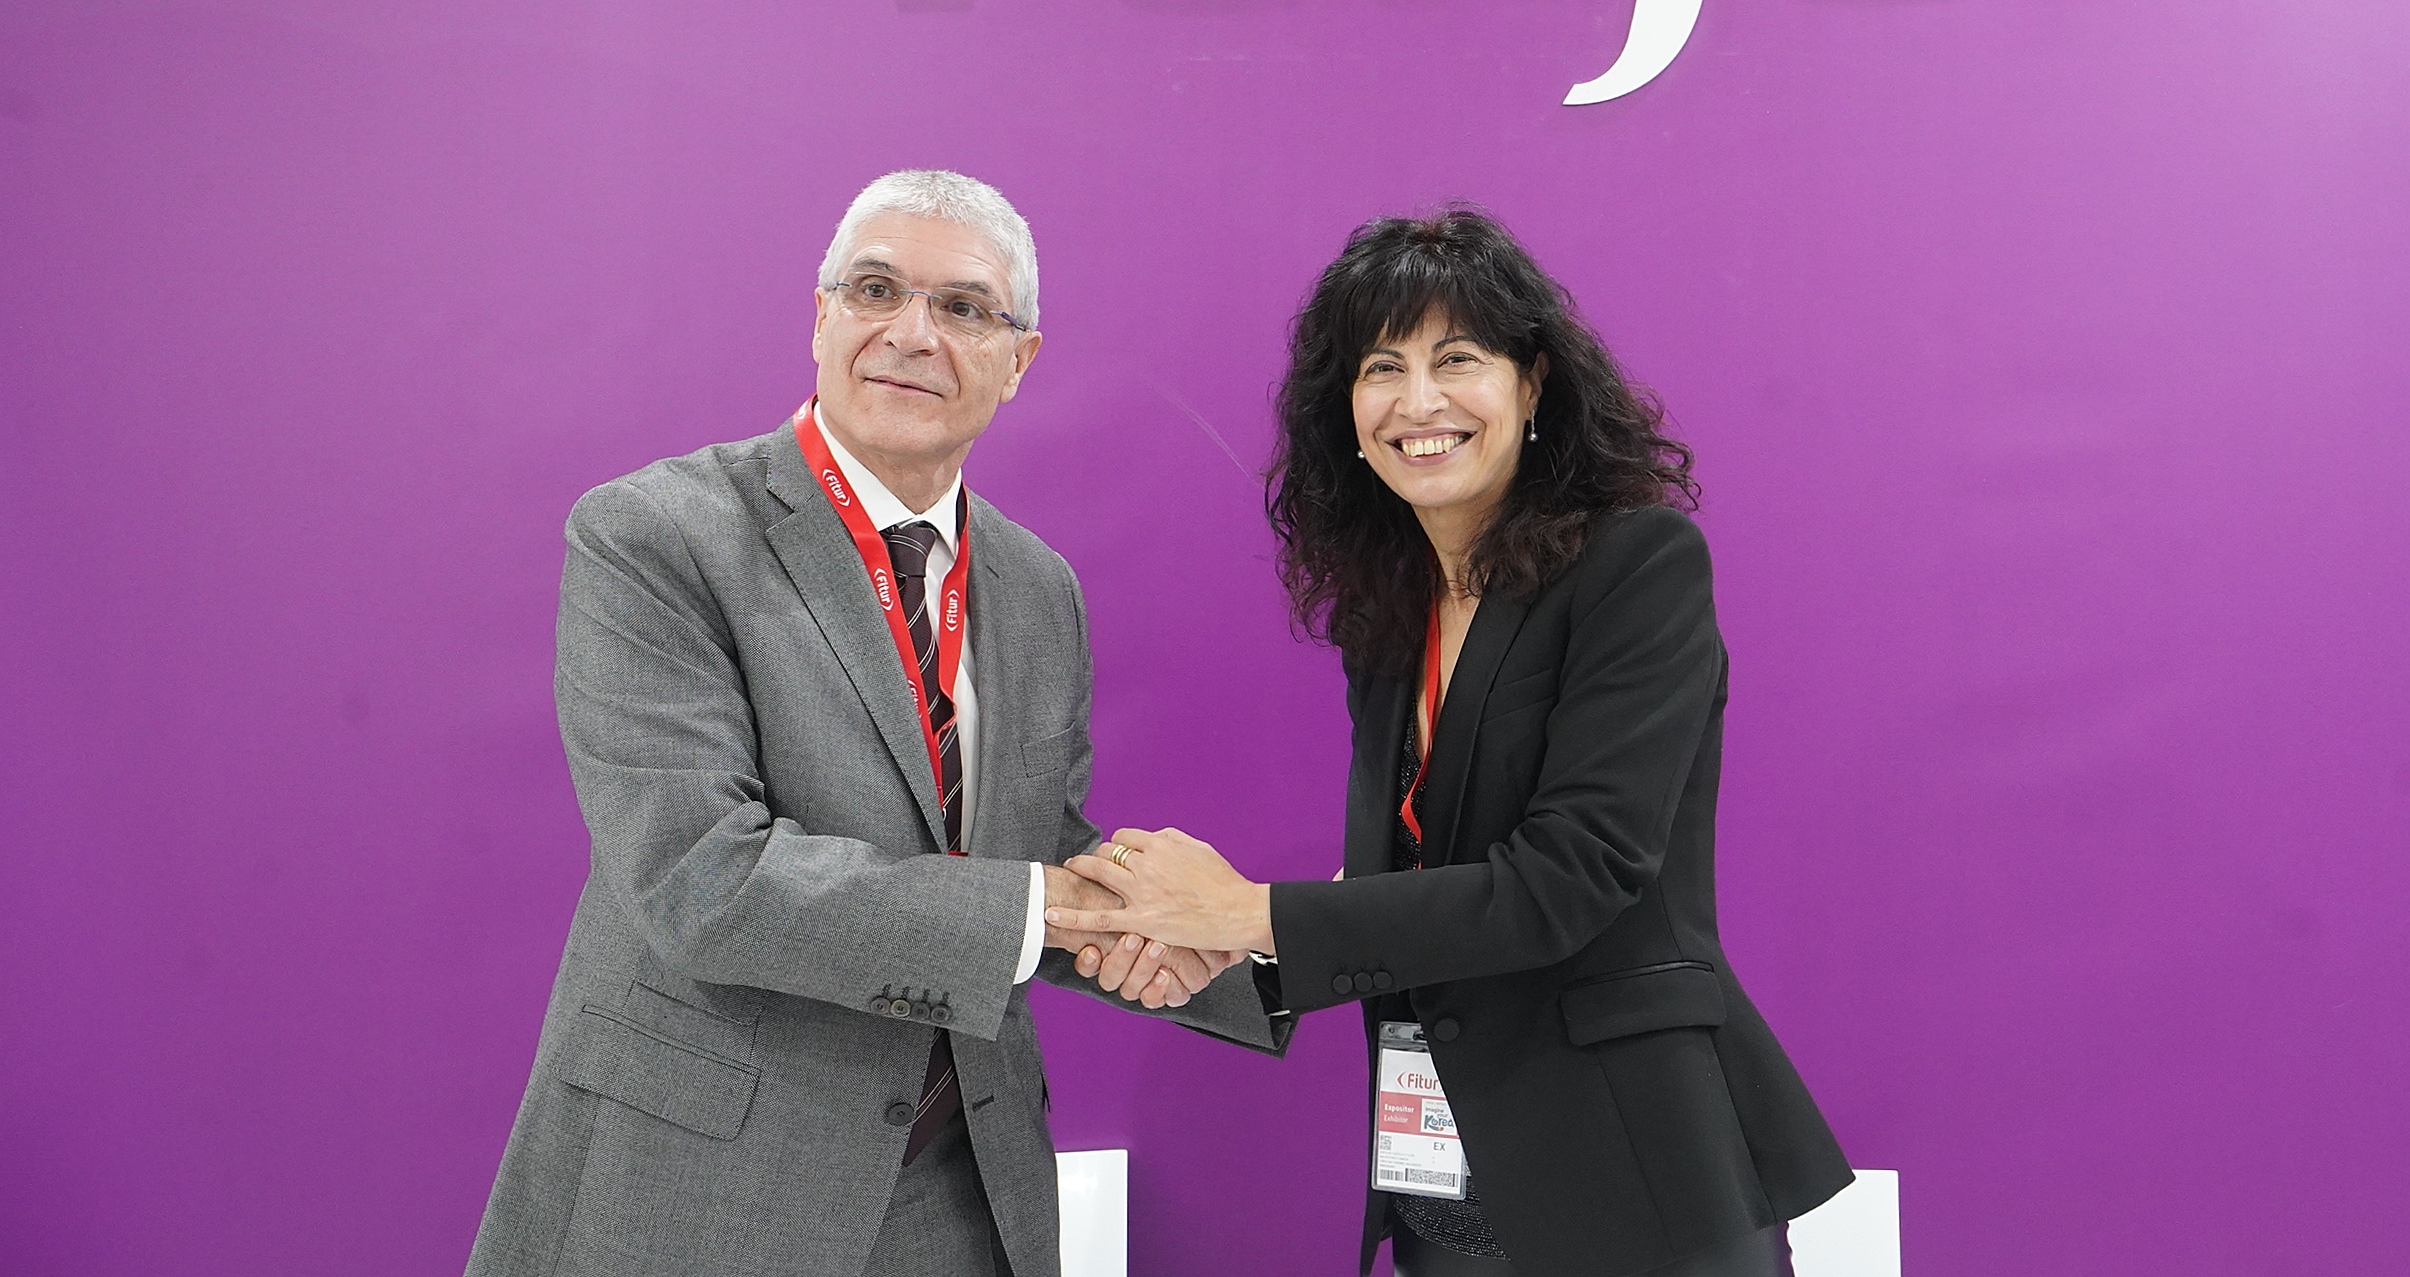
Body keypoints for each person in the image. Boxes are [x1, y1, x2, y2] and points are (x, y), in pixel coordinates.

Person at [466, 170, 1283, 1277]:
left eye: (964, 307)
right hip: (703, 1190)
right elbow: (704, 880)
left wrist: (1243, 942)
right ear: (820, 317)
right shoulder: (655, 534)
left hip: (966, 1189)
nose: (911, 332)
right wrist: (1060, 905)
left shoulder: (1038, 586)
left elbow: (1030, 855)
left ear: (1019, 359)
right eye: (876, 289)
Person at [1047, 208, 1854, 1277]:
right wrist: (1207, 942)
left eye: (1457, 358)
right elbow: (1409, 887)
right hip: (1446, 1202)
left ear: (1533, 383)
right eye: (1381, 367)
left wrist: (1243, 910)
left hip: (1637, 1180)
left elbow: (1571, 877)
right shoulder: (1389, 618)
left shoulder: (1637, 565)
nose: (1418, 402)